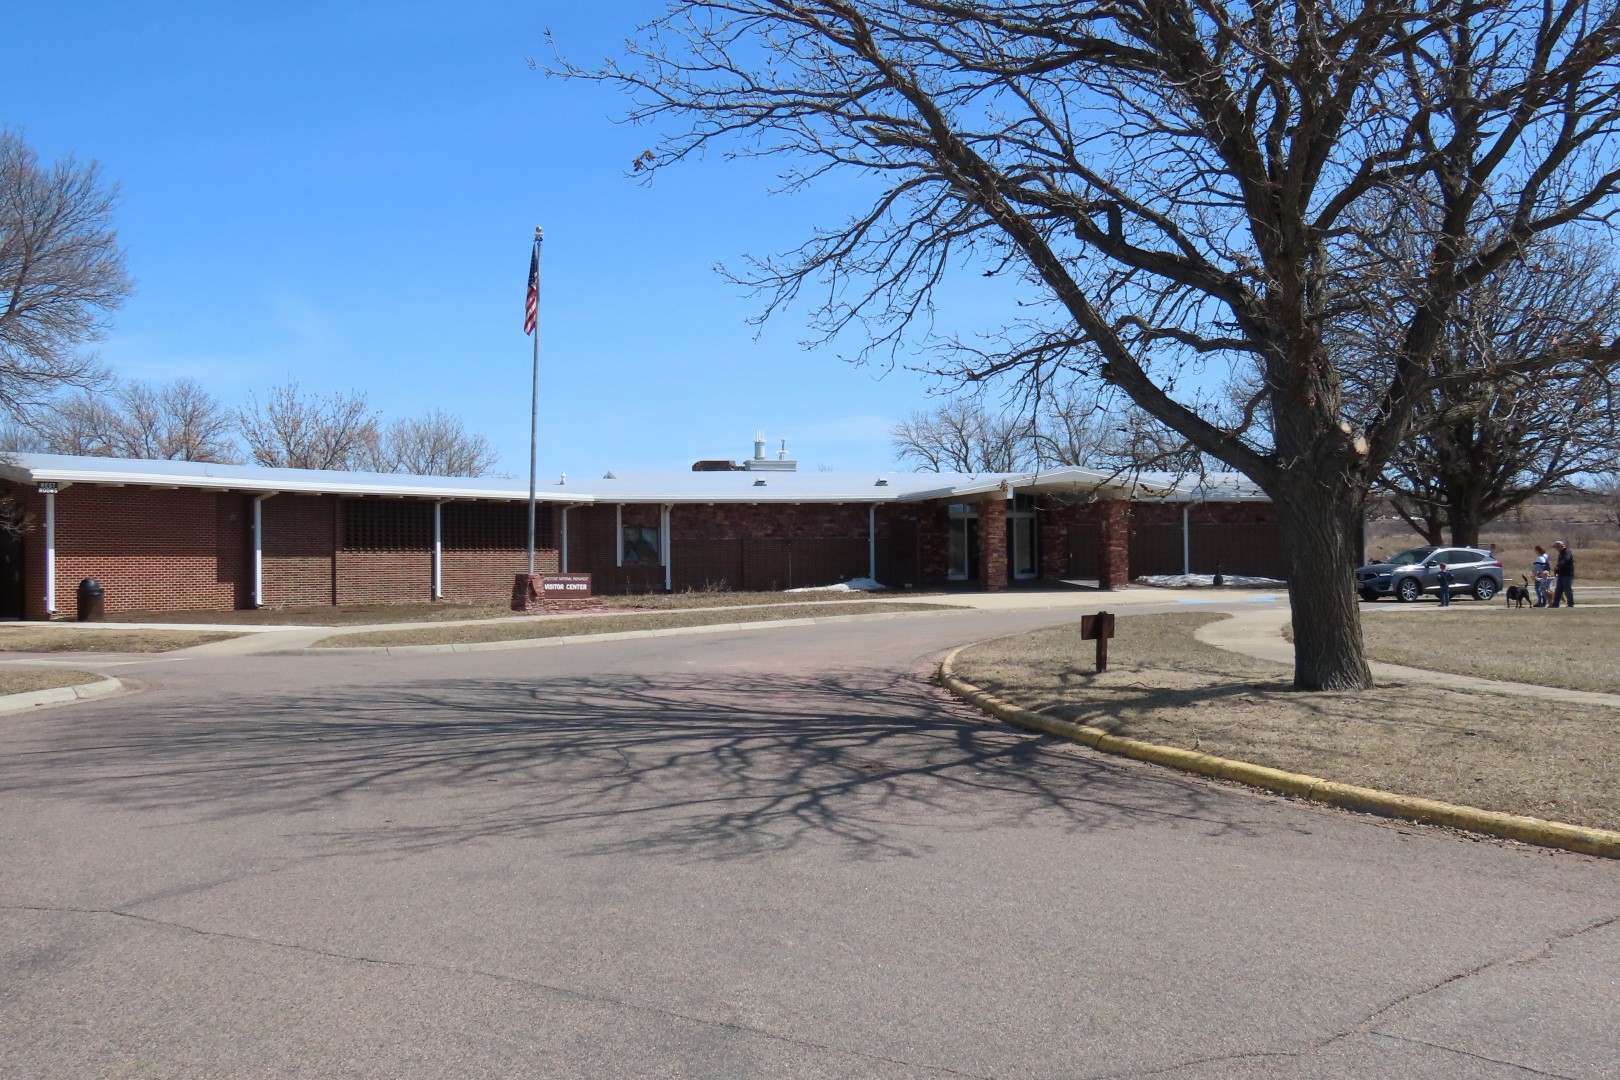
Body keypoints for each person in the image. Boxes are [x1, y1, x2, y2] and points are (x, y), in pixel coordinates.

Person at [1552, 541, 1575, 608]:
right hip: (1561, 575)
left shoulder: (1567, 552)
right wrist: (1556, 571)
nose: (1556, 549)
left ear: (1560, 546)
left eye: (1556, 547)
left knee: (1567, 589)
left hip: (1567, 575)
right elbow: (1560, 564)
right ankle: (1555, 604)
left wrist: (1558, 565)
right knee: (1558, 590)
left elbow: (1565, 560)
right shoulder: (1561, 553)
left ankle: (1570, 604)